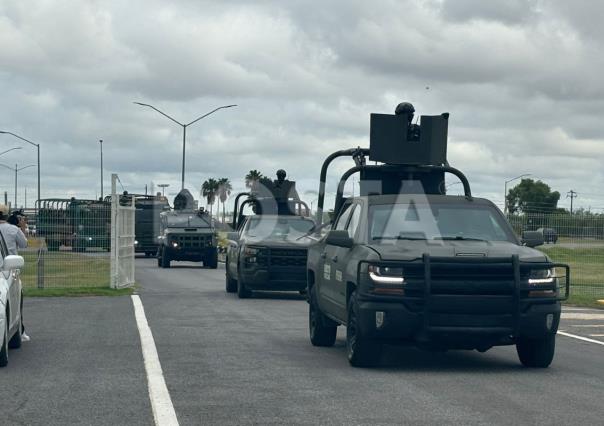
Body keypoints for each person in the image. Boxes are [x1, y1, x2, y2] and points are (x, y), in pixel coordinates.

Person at [0, 204, 29, 341]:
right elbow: (24, 244)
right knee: (16, 301)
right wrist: (22, 227)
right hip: (10, 267)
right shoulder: (12, 229)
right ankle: (19, 330)